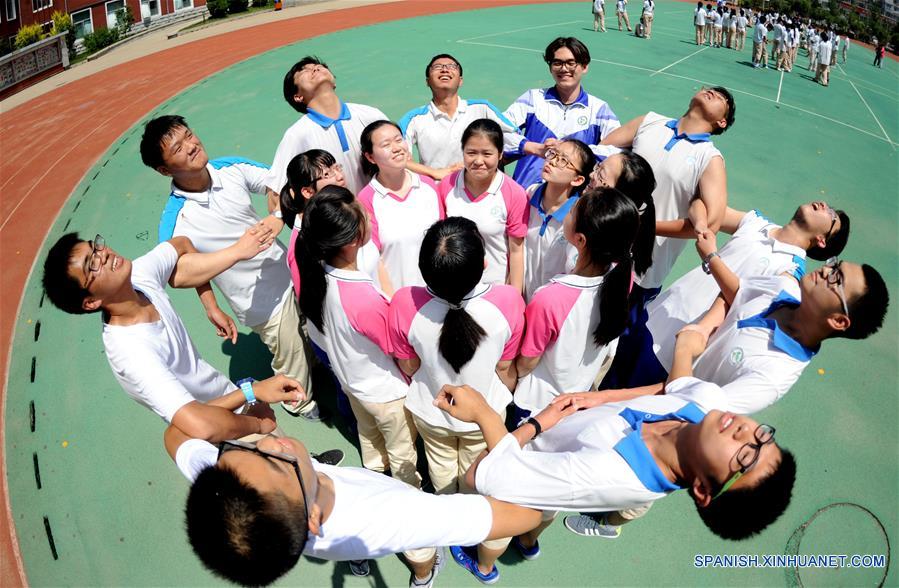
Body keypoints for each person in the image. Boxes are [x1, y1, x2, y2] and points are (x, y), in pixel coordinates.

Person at [435, 353, 795, 578]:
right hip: (557, 478)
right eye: (763, 436)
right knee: (547, 512)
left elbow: (482, 474)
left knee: (503, 527)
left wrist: (498, 416)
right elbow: (675, 386)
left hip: (534, 461)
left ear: (702, 489)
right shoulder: (707, 405)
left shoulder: (605, 474)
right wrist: (601, 397)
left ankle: (485, 567)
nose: (748, 431)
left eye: (745, 457)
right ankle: (528, 544)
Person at [172, 429, 544, 588]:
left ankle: (361, 562)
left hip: (335, 541)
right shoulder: (403, 518)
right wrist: (501, 429)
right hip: (396, 523)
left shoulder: (234, 496)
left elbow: (177, 436)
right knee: (421, 553)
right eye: (277, 462)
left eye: (243, 448)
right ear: (312, 519)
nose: (272, 441)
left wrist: (248, 416)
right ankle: (424, 577)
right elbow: (525, 516)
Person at [41, 230, 308, 440]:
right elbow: (201, 424)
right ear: (90, 302)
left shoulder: (139, 278)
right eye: (92, 265)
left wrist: (210, 305)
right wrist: (253, 399)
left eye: (96, 247)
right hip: (220, 434)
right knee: (286, 482)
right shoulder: (132, 353)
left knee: (287, 450)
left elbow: (181, 244)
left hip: (229, 397)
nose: (105, 254)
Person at [141, 115, 319, 420]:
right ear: (164, 169)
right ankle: (300, 404)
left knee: (314, 332)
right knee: (292, 360)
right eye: (178, 147)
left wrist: (277, 215)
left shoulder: (229, 168)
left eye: (189, 135)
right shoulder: (176, 218)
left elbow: (279, 182)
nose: (191, 145)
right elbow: (181, 272)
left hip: (291, 271)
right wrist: (232, 263)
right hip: (260, 302)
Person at [595, 87, 734, 392]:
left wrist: (646, 225)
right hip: (599, 239)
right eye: (710, 89)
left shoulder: (709, 158)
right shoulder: (651, 121)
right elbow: (602, 151)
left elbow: (710, 221)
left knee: (613, 343)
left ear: (722, 122)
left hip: (643, 267)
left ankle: (596, 403)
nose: (713, 91)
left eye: (721, 98)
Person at [630, 201, 851, 388]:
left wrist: (711, 256)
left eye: (830, 215)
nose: (824, 206)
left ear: (822, 240)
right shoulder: (756, 222)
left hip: (673, 349)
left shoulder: (791, 274)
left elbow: (744, 299)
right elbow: (704, 205)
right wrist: (701, 224)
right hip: (655, 313)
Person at [296, 186, 421, 493]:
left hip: (354, 385)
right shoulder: (364, 299)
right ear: (353, 241)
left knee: (371, 442)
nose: (367, 213)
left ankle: (375, 479)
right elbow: (402, 356)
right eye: (363, 214)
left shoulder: (319, 275)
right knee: (402, 454)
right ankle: (408, 498)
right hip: (387, 395)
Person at [388, 217, 524, 498]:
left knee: (440, 467)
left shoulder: (404, 302)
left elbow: (409, 365)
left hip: (431, 409)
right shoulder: (508, 301)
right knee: (474, 472)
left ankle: (446, 507)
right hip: (484, 413)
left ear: (424, 269)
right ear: (484, 263)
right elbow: (504, 366)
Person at [515, 189, 653, 420]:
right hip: (578, 397)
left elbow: (527, 362)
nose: (568, 211)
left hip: (536, 406)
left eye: (572, 211)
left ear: (580, 240)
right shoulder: (622, 277)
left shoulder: (549, 298)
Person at [502, 37, 621, 190]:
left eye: (571, 63)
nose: (564, 68)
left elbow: (618, 153)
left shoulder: (599, 109)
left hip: (571, 203)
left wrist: (571, 149)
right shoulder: (532, 98)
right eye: (557, 63)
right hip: (524, 194)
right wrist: (534, 148)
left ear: (584, 67)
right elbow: (496, 132)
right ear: (550, 67)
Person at [268, 56, 388, 196]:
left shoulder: (371, 115)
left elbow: (404, 161)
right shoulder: (297, 135)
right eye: (304, 70)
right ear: (297, 96)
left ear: (334, 82)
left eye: (320, 66)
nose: (315, 68)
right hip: (337, 216)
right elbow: (275, 195)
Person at [437, 119, 529, 291]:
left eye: (487, 154)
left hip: (495, 288)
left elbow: (517, 252)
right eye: (471, 153)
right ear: (462, 151)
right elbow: (439, 241)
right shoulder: (446, 186)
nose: (478, 161)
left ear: (500, 154)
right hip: (454, 288)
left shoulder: (514, 193)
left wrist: (514, 298)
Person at [399, 54, 517, 182]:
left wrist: (493, 163)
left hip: (480, 189)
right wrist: (435, 173)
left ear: (461, 81)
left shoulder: (482, 108)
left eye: (452, 66)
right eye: (437, 67)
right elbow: (398, 158)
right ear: (427, 81)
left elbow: (516, 139)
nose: (445, 69)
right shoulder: (414, 119)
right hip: (437, 192)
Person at [358, 120, 445, 289]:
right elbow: (372, 259)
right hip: (397, 299)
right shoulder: (366, 200)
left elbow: (443, 241)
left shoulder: (428, 187)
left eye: (399, 140)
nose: (397, 148)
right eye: (386, 144)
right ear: (370, 157)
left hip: (438, 296)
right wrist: (392, 301)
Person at [522, 138, 593, 299]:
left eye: (563, 161)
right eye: (553, 154)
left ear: (578, 180)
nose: (553, 161)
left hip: (552, 302)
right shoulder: (530, 194)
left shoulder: (578, 217)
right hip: (522, 296)